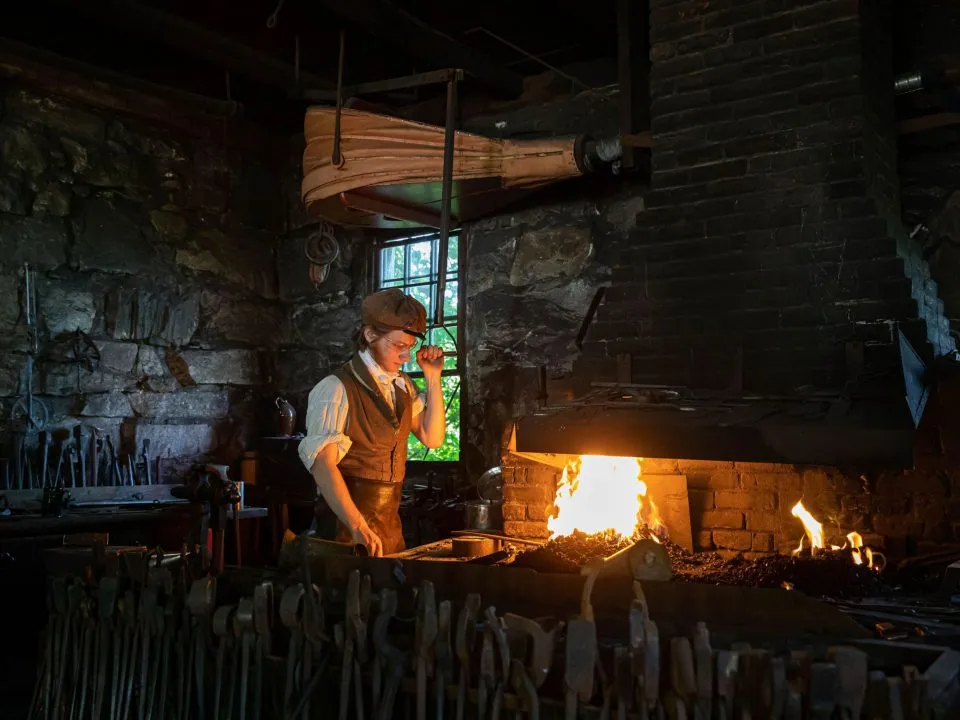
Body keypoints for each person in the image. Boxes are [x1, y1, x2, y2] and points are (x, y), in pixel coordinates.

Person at [298, 288, 446, 556]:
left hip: (389, 532)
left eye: (410, 347)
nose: (406, 357)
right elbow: (322, 465)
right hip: (345, 536)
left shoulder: (402, 387)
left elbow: (432, 438)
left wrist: (433, 377)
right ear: (369, 335)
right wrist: (357, 526)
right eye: (399, 346)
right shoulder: (335, 388)